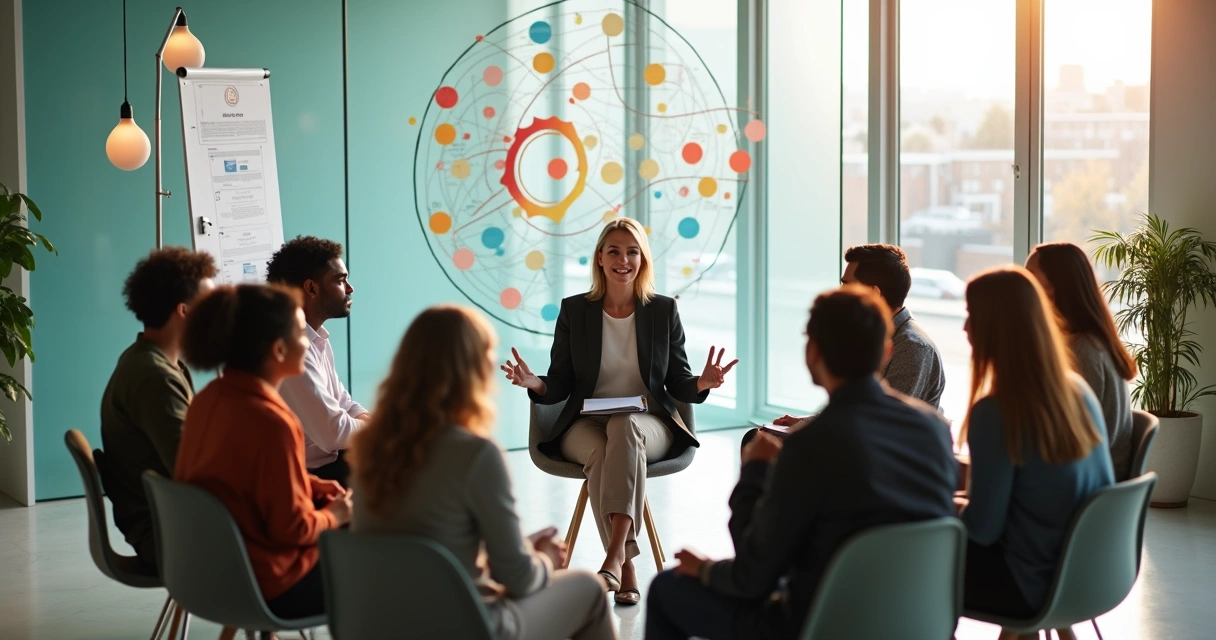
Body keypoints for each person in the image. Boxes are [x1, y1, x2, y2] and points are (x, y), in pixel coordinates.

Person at [645, 286, 957, 640]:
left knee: (667, 589)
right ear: (887, 352)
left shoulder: (809, 445)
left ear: (812, 353)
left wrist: (753, 473)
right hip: (918, 623)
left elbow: (751, 578)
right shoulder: (934, 430)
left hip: (825, 624)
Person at [502, 217, 737, 605]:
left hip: (647, 423)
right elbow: (561, 380)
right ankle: (626, 566)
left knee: (625, 428)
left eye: (632, 252)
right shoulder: (575, 311)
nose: (623, 260)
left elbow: (677, 382)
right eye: (614, 251)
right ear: (599, 258)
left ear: (642, 260)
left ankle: (614, 558)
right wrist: (536, 385)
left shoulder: (663, 310)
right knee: (602, 450)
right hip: (586, 422)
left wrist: (702, 383)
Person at [350, 306, 615, 640]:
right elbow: (518, 579)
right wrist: (544, 559)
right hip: (463, 625)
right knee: (589, 588)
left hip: (382, 625)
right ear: (473, 369)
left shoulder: (368, 447)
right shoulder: (475, 454)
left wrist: (516, 550)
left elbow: (428, 551)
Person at [175, 285, 352, 619]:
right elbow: (294, 530)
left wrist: (309, 483)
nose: (309, 342)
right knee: (389, 570)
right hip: (271, 583)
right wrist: (335, 516)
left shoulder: (208, 399)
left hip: (211, 573)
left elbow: (244, 478)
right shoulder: (272, 421)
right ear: (279, 349)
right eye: (301, 333)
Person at [959, 267, 1114, 625]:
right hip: (1086, 576)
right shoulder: (1077, 390)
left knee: (909, 562)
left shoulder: (997, 413)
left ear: (994, 327)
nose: (965, 328)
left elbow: (983, 529)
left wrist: (941, 513)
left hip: (1028, 584)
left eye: (971, 316)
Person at [757, 244, 946, 443]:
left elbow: (879, 418)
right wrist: (808, 421)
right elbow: (859, 401)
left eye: (847, 284)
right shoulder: (874, 336)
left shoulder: (912, 347)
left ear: (874, 293)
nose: (840, 290)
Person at [99, 248, 216, 571]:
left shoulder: (151, 360)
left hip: (173, 520)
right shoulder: (155, 377)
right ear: (184, 311)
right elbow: (194, 472)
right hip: (172, 532)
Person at [1026, 242, 1137, 479]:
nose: (1023, 285)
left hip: (1086, 484)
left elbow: (1072, 438)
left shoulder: (1080, 350)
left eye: (1030, 276)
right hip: (1092, 479)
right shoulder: (1091, 340)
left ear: (1055, 287)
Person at [267, 236, 369, 486]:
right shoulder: (291, 346)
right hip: (308, 478)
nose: (350, 288)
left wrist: (371, 422)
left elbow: (343, 402)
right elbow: (333, 434)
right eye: (340, 280)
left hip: (331, 463)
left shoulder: (314, 337)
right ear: (311, 288)